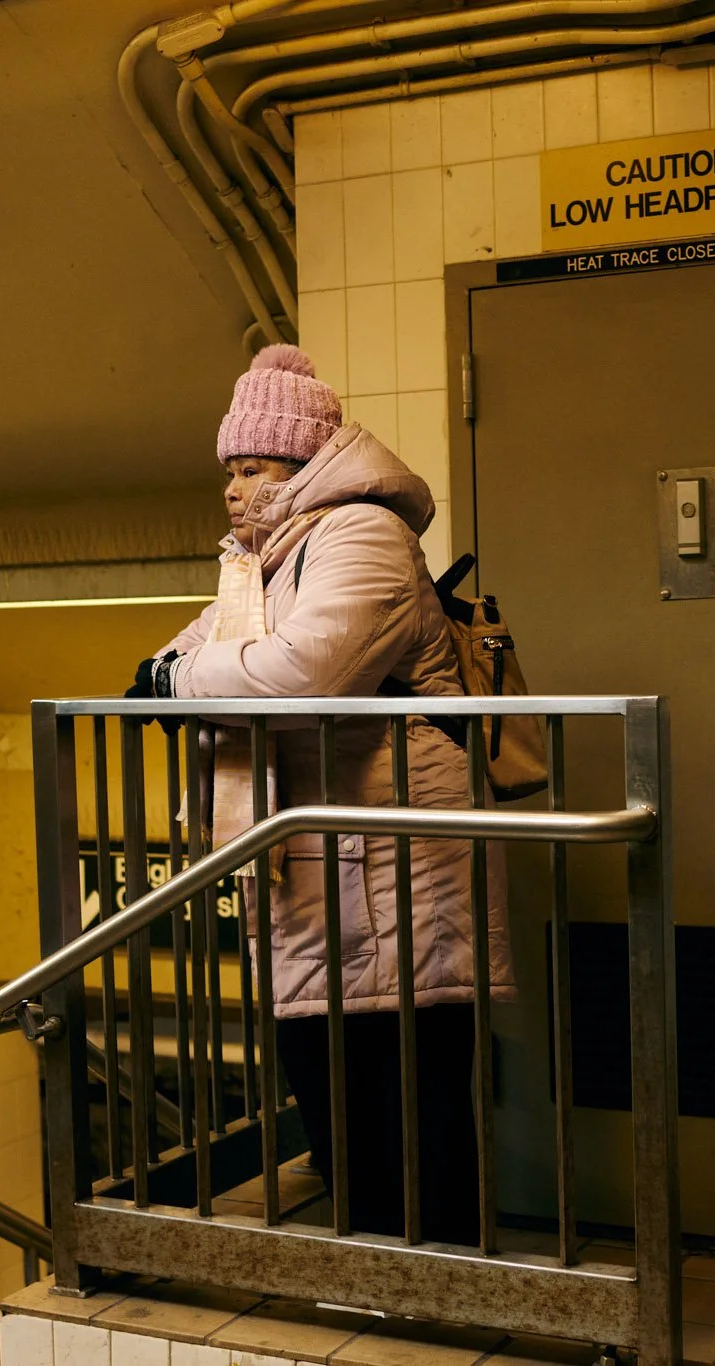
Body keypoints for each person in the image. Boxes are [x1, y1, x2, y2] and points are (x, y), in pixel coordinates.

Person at [129, 343, 513, 1246]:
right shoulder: (264, 559)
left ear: (304, 464)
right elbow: (186, 655)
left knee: (405, 1087)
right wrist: (166, 671)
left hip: (397, 854)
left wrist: (175, 684)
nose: (231, 487)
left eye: (251, 467)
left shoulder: (362, 535)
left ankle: (440, 1274)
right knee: (335, 1076)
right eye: (227, 468)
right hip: (330, 852)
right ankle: (382, 1269)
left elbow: (302, 671)